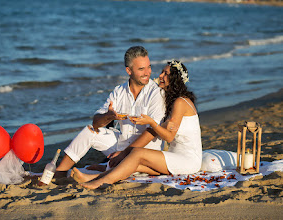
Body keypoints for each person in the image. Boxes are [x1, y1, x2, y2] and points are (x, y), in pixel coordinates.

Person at [71, 60, 202, 189]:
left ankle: (99, 183)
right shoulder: (173, 102)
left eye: (166, 74)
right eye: (162, 72)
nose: (161, 76)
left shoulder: (180, 102)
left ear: (175, 79)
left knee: (137, 153)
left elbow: (169, 137)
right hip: (176, 157)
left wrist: (151, 122)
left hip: (187, 160)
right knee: (135, 164)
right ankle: (94, 177)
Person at [54, 46, 165, 177]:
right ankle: (59, 173)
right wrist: (108, 116)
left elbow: (152, 132)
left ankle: (102, 169)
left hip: (145, 152)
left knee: (115, 169)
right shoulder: (119, 91)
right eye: (141, 69)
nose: (147, 72)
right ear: (128, 70)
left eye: (149, 67)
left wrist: (124, 153)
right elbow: (96, 123)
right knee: (90, 131)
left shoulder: (156, 93)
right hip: (122, 144)